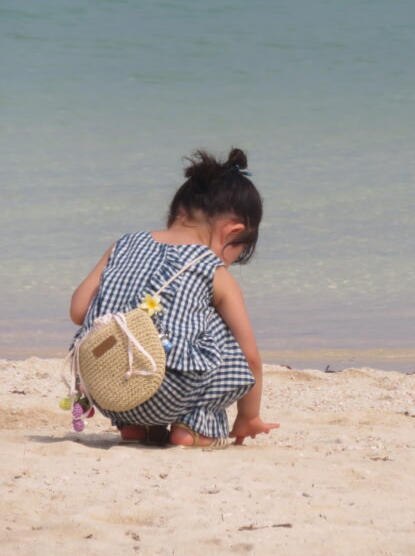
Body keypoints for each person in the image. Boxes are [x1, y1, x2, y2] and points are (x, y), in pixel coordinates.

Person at [69, 148, 279, 448]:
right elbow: (251, 358)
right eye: (239, 253)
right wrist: (248, 416)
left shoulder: (124, 245)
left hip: (109, 388)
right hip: (172, 393)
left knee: (127, 321)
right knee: (217, 326)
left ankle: (134, 426)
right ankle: (192, 428)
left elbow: (79, 312)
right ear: (233, 232)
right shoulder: (213, 270)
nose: (230, 263)